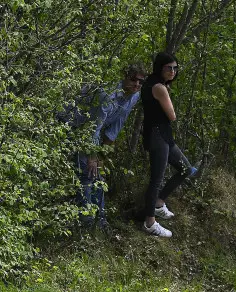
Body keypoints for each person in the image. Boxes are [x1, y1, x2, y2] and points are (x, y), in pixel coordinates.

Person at [58, 64, 146, 229]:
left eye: (141, 81)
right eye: (133, 79)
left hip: (92, 131)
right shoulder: (108, 94)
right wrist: (92, 156)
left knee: (98, 174)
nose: (137, 84)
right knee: (86, 171)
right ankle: (85, 222)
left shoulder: (134, 96)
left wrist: (102, 156)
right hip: (72, 124)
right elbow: (93, 126)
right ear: (124, 76)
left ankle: (100, 221)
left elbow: (115, 128)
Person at [140, 52, 194, 238]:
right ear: (160, 68)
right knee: (156, 179)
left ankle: (159, 202)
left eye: (175, 68)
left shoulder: (152, 83)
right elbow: (172, 116)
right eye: (168, 68)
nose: (172, 71)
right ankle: (149, 223)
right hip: (157, 136)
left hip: (161, 135)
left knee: (186, 168)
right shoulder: (159, 87)